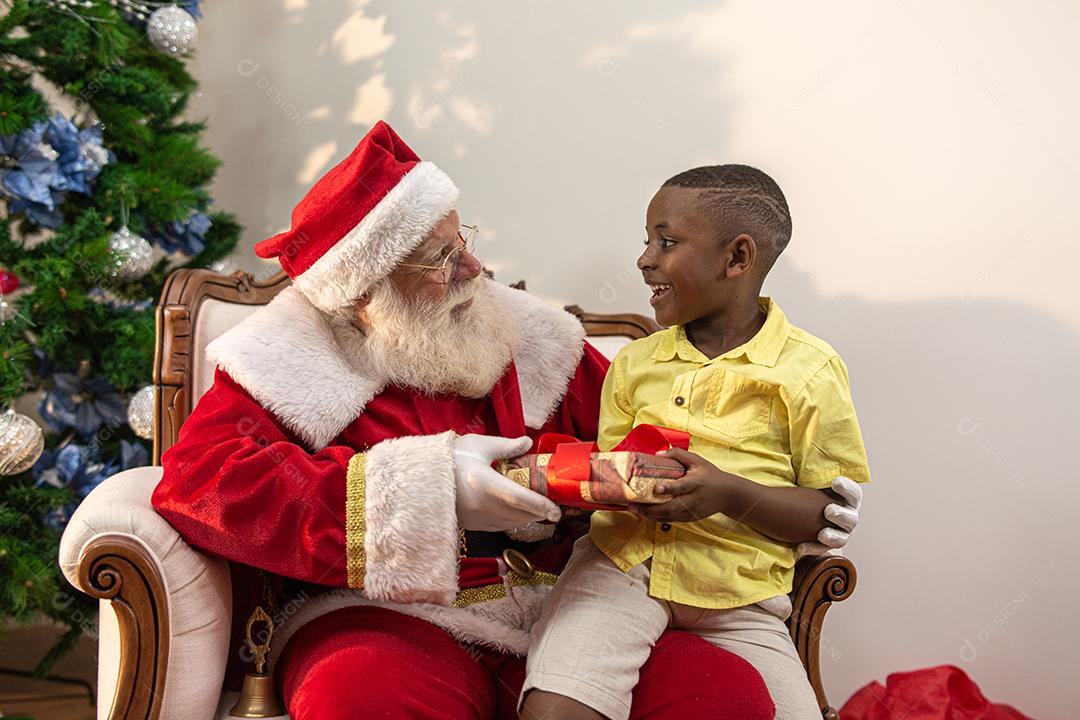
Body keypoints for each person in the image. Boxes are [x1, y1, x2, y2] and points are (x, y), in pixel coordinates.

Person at [151, 123, 782, 719]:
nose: (474, 271)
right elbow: (201, 483)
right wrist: (432, 492)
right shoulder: (289, 359)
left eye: (464, 243)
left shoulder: (530, 338)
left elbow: (647, 432)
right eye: (437, 260)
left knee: (718, 693)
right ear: (365, 294)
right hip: (383, 614)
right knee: (362, 696)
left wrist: (613, 482)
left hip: (563, 604)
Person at [521, 164, 871, 720]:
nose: (644, 259)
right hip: (621, 567)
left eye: (667, 241)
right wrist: (577, 484)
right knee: (557, 707)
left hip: (742, 595)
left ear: (737, 258)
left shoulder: (810, 370)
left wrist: (729, 493)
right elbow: (610, 472)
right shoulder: (636, 362)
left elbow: (825, 513)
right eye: (646, 241)